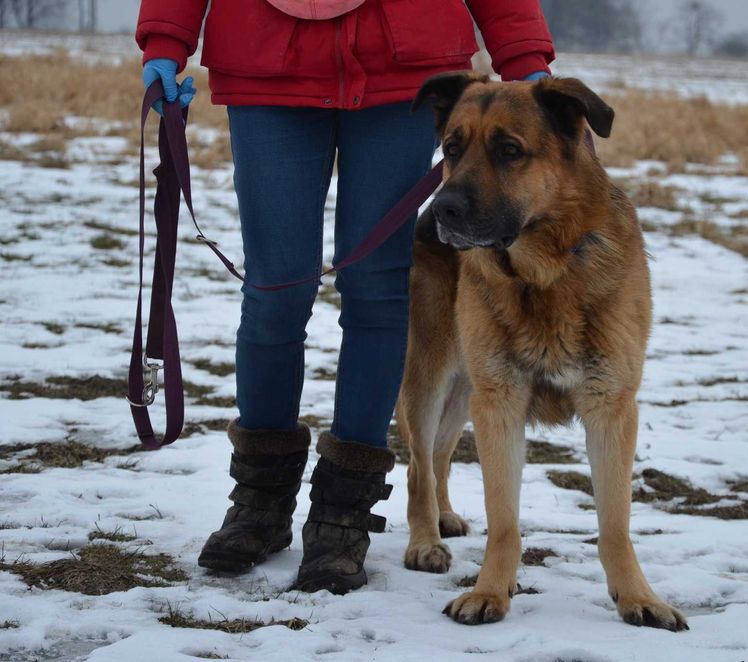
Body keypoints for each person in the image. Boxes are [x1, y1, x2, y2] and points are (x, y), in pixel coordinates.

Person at [136, 0, 555, 594]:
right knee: (275, 290)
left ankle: (345, 511)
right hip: (266, 64)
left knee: (379, 291)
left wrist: (525, 55)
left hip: (401, 68)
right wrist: (166, 38)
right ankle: (260, 500)